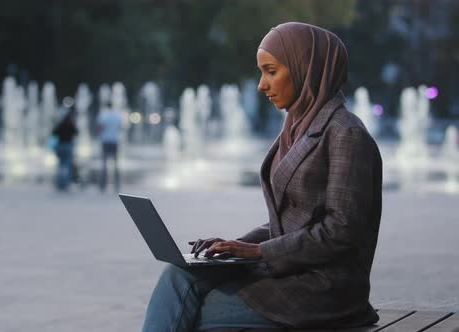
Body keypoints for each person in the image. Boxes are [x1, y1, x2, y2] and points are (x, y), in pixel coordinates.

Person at [142, 22, 383, 331]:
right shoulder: (296, 127)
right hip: (289, 271)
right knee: (179, 275)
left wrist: (257, 252)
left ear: (305, 69)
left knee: (204, 312)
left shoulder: (345, 133)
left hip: (324, 289)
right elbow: (291, 220)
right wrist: (235, 245)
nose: (261, 84)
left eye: (271, 71)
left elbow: (341, 231)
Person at [96, 101, 123, 192]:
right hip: (115, 141)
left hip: (105, 141)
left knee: (104, 164)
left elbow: (100, 127)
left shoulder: (103, 115)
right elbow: (121, 127)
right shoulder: (117, 115)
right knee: (116, 164)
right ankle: (117, 185)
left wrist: (99, 134)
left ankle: (102, 185)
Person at [52, 110, 78, 191]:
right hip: (68, 146)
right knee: (67, 165)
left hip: (60, 146)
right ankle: (66, 183)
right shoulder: (71, 125)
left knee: (60, 165)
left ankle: (59, 182)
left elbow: (54, 133)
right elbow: (76, 132)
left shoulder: (60, 125)